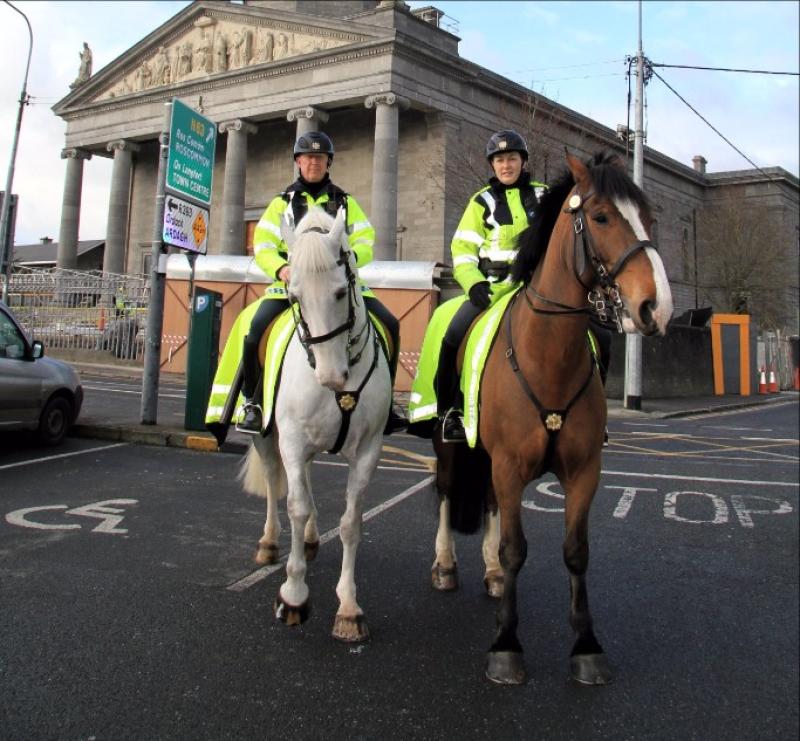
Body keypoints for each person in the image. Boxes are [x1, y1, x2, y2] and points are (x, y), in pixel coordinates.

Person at [239, 130, 406, 434]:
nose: (313, 162)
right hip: (292, 285)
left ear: (328, 162)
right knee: (255, 333)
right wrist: (280, 269)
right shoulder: (281, 204)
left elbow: (366, 240)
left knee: (390, 325)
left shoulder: (345, 202)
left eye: (319, 157)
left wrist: (348, 260)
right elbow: (262, 245)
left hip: (339, 284)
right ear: (298, 162)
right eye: (308, 157)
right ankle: (253, 402)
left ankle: (388, 405)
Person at [438, 129, 547, 442]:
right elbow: (462, 249)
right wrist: (473, 283)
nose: (506, 165)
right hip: (492, 289)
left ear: (523, 161)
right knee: (453, 335)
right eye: (500, 160)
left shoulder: (544, 196)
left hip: (537, 286)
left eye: (512, 158)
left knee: (598, 335)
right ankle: (450, 412)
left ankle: (592, 414)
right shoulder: (480, 202)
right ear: (492, 165)